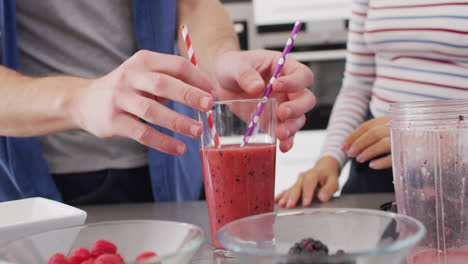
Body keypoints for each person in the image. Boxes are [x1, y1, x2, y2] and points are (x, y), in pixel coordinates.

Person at [0, 0, 315, 204]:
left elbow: (193, 5)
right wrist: (79, 100)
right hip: (45, 188)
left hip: (177, 174)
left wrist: (220, 61)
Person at [276, 0, 468, 208]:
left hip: (458, 170)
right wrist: (329, 160)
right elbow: (357, 88)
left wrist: (439, 141)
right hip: (377, 162)